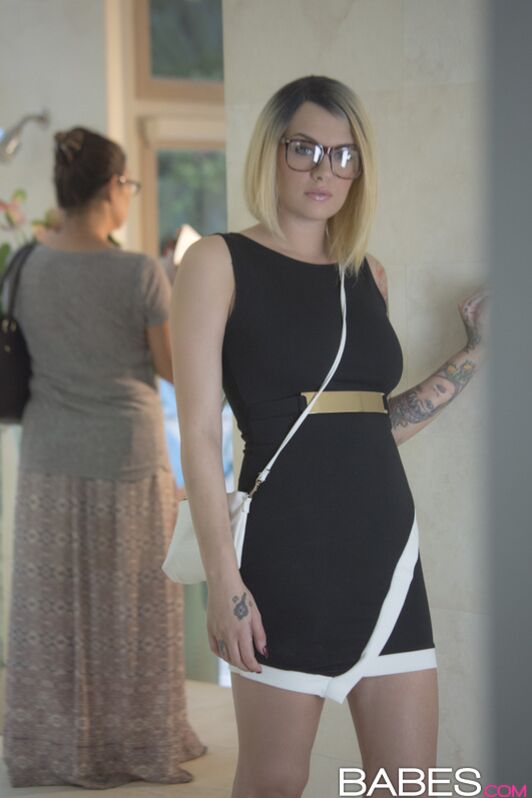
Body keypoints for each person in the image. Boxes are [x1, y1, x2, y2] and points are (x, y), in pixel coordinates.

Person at [170, 76, 488, 798]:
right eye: (305, 148)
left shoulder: (368, 276)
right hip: (284, 560)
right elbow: (198, 434)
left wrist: (475, 353)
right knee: (275, 781)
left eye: (344, 155)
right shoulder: (217, 262)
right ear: (272, 151)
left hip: (387, 555)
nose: (325, 170)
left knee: (407, 783)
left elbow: (372, 424)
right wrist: (224, 583)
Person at [2, 127, 207, 788]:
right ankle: (136, 739)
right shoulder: (137, 271)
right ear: (114, 187)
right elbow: (172, 367)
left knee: (56, 607)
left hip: (49, 458)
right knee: (132, 607)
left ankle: (57, 744)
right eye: (130, 185)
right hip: (127, 459)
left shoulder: (25, 265)